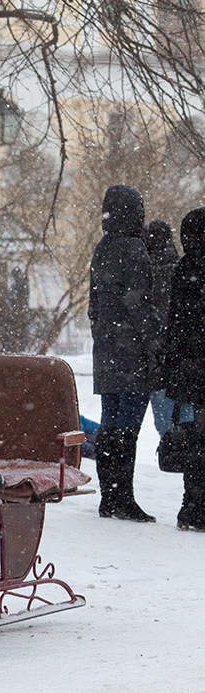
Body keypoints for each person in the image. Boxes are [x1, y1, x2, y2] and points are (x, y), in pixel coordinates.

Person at [88, 185, 161, 522]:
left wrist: (104, 336)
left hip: (106, 351)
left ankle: (109, 496)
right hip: (132, 354)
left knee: (110, 424)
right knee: (127, 427)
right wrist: (156, 344)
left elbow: (94, 307)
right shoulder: (134, 248)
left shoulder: (102, 248)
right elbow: (140, 305)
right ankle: (124, 498)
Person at [164, 208, 205, 531]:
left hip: (188, 368)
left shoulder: (183, 268)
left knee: (195, 439)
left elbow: (175, 322)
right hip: (197, 364)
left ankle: (191, 505)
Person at [144, 220, 188, 435]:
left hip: (155, 358)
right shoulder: (181, 269)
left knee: (164, 420)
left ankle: (170, 444)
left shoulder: (144, 273)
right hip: (182, 355)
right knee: (186, 416)